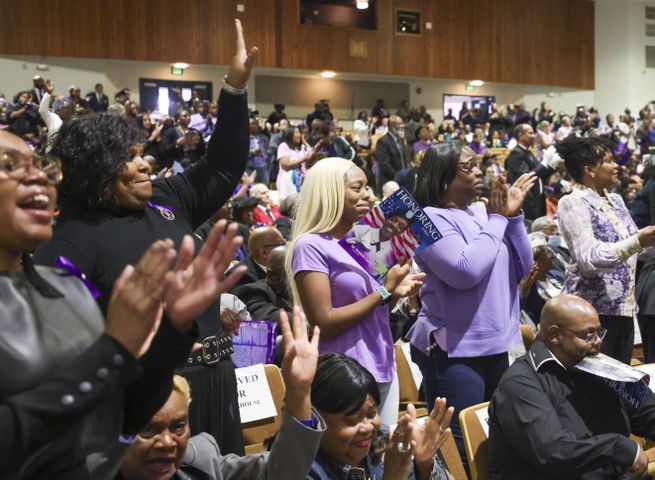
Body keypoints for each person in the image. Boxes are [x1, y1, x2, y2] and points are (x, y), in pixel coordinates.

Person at [34, 19, 258, 455]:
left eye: (142, 156)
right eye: (130, 160)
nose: (146, 166)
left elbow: (224, 166)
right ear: (96, 170)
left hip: (217, 373)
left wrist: (233, 87)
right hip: (151, 398)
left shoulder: (165, 196)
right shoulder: (68, 243)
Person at [0, 129, 248, 478]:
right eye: (10, 165)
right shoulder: (70, 259)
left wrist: (172, 331)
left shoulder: (63, 288)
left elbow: (123, 417)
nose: (39, 177)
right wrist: (115, 349)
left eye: (40, 165)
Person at [407, 141, 536, 463]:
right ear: (442, 177)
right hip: (454, 349)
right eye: (468, 167)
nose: (479, 171)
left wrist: (514, 216)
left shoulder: (483, 211)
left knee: (493, 437)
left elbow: (523, 264)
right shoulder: (426, 220)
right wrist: (497, 219)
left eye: (478, 164)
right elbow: (465, 272)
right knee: (460, 444)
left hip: (493, 342)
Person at [288, 157, 425, 426]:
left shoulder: (365, 239)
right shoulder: (310, 245)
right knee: (352, 461)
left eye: (367, 188)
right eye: (357, 187)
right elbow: (324, 322)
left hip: (382, 364)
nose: (368, 195)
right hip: (344, 374)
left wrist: (394, 293)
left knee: (382, 459)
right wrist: (385, 291)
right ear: (331, 192)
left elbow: (368, 305)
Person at [118, 307, 326, 480]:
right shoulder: (90, 469)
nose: (167, 442)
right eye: (147, 429)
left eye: (178, 427)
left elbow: (281, 473)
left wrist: (299, 393)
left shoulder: (201, 463)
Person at [488, 294, 655, 480]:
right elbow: (553, 451)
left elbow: (647, 412)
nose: (598, 341)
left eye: (600, 332)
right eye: (588, 334)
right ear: (554, 335)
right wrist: (619, 449)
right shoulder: (520, 383)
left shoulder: (599, 366)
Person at [555, 136, 655, 364]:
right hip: (590, 315)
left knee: (619, 386)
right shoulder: (573, 202)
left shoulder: (616, 201)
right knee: (594, 390)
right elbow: (589, 259)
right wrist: (639, 240)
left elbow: (635, 249)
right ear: (589, 169)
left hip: (623, 311)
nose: (616, 165)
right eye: (608, 161)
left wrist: (648, 242)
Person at [308, 353, 454, 480]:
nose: (367, 428)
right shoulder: (302, 470)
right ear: (316, 419)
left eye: (372, 413)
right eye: (352, 420)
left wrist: (424, 463)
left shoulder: (388, 442)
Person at [505, 123, 561, 221]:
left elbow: (540, 175)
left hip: (538, 199)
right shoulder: (516, 153)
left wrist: (552, 165)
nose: (534, 136)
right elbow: (526, 176)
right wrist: (544, 162)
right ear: (520, 135)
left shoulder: (529, 153)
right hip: (527, 201)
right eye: (530, 133)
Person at [343, 209, 414, 276]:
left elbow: (377, 273)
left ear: (400, 232)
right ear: (385, 219)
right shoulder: (361, 230)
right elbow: (342, 243)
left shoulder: (389, 255)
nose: (394, 225)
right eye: (393, 220)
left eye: (401, 226)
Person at [235, 245, 293, 322]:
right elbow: (269, 317)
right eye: (290, 273)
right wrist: (309, 319)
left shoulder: (301, 289)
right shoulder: (253, 291)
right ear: (271, 275)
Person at [276, 126, 316, 199]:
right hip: (288, 182)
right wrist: (303, 159)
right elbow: (285, 165)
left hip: (302, 181)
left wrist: (304, 142)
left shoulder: (300, 147)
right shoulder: (284, 146)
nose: (299, 135)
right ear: (290, 134)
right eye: (297, 132)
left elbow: (309, 159)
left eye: (299, 133)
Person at [375, 115, 407, 194]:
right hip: (389, 182)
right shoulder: (383, 141)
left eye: (401, 123)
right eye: (398, 124)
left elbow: (404, 160)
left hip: (401, 181)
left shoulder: (401, 140)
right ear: (390, 125)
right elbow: (384, 164)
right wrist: (398, 177)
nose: (401, 126)